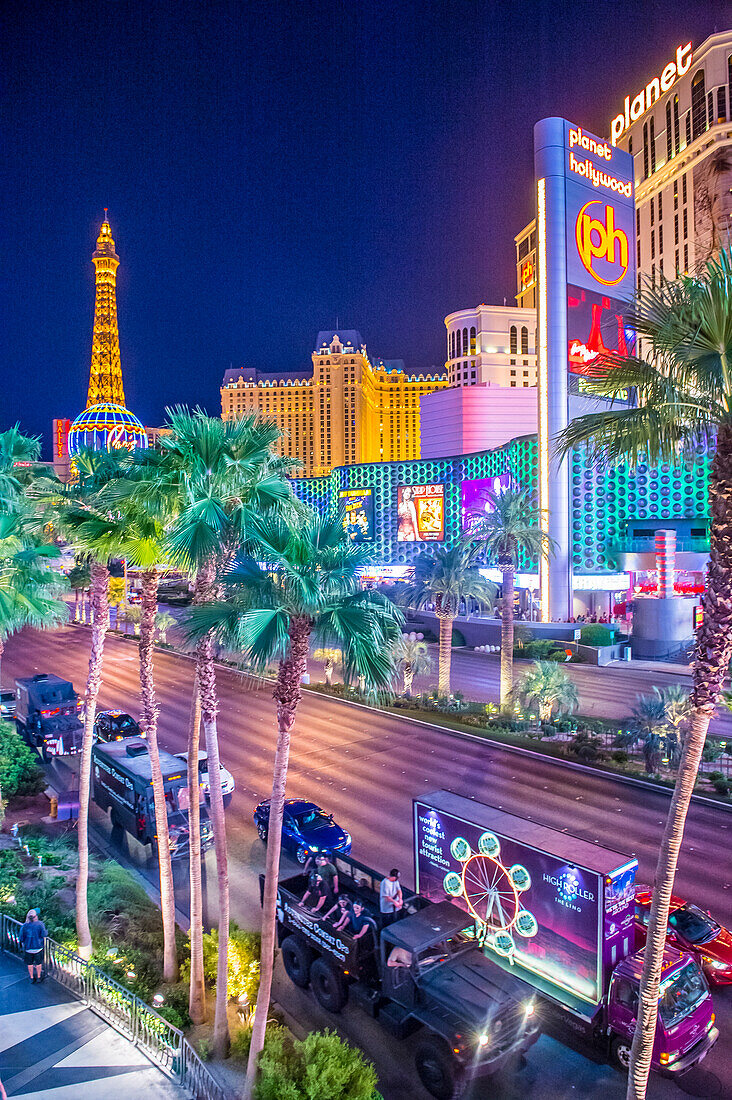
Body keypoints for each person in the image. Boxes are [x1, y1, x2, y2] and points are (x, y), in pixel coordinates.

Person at [20, 909, 47, 983]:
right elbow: (44, 934)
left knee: (30, 963)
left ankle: (31, 977)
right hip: (38, 947)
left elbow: (21, 937)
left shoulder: (25, 926)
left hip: (28, 948)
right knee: (38, 963)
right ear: (36, 917)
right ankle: (38, 977)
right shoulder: (40, 924)